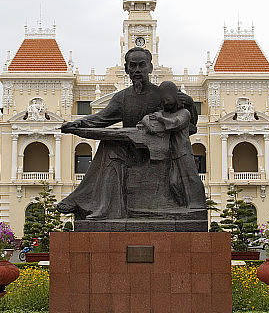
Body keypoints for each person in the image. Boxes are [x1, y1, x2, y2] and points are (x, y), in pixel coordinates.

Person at [57, 48, 197, 219]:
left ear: (150, 68)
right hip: (131, 149)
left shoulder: (161, 95)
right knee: (110, 147)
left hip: (157, 152)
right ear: (126, 69)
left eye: (141, 65)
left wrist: (190, 104)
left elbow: (188, 123)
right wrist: (79, 123)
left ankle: (81, 200)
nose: (137, 70)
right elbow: (101, 118)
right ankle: (103, 208)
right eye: (133, 66)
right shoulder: (122, 97)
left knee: (111, 147)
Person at [138, 81, 206, 211]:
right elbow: (147, 118)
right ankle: (182, 206)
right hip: (171, 153)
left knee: (191, 178)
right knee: (174, 182)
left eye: (167, 100)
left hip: (183, 152)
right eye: (163, 100)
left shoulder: (184, 113)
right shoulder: (165, 113)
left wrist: (160, 119)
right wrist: (147, 121)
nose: (165, 103)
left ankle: (197, 205)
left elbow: (175, 123)